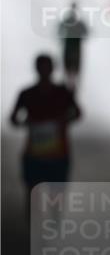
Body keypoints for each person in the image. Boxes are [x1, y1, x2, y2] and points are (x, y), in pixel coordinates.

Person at [10, 54, 82, 210]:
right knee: (33, 194)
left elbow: (77, 113)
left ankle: (52, 225)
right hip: (37, 154)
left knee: (54, 196)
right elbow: (13, 119)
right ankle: (35, 228)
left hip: (56, 154)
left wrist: (62, 121)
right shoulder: (28, 94)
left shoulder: (62, 93)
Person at [57, 2, 89, 87]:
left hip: (73, 47)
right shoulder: (76, 22)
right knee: (71, 67)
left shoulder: (74, 22)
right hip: (72, 47)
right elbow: (86, 32)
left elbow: (60, 30)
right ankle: (70, 83)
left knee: (71, 67)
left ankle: (70, 83)